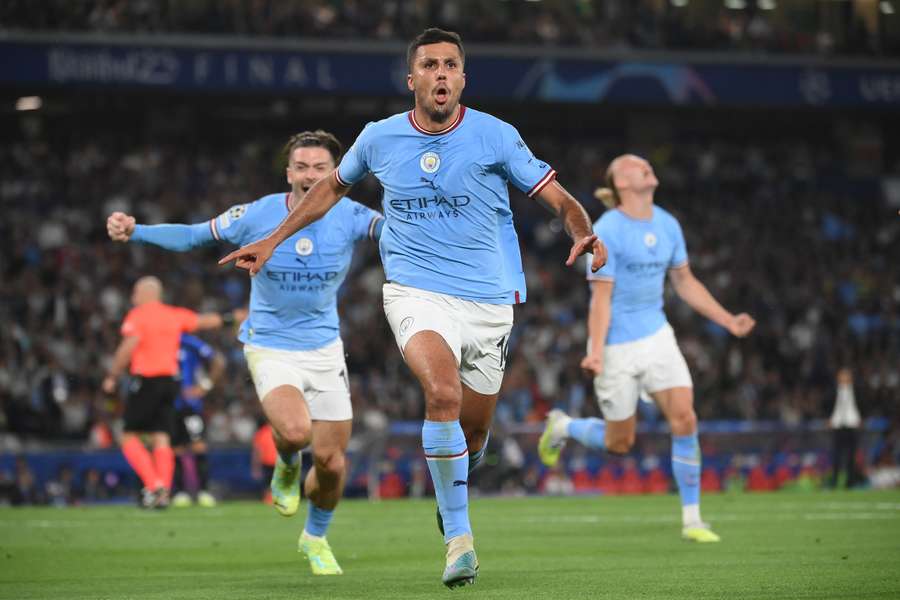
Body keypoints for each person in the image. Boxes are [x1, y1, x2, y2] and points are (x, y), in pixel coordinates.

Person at [218, 28, 607, 587]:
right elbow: (331, 188)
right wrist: (273, 239)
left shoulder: (496, 137)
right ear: (413, 79)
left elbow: (558, 198)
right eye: (430, 64)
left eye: (451, 64)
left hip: (490, 301)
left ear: (463, 78)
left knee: (472, 440)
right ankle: (459, 539)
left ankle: (455, 482)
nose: (441, 73)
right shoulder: (379, 138)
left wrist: (583, 230)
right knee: (441, 393)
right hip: (415, 291)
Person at [106, 130, 384, 575]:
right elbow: (194, 236)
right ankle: (288, 465)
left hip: (326, 348)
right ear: (288, 172)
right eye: (302, 166)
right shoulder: (257, 215)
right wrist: (136, 231)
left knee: (332, 463)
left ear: (336, 173)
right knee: (294, 433)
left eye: (320, 167)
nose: (311, 175)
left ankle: (315, 537)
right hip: (270, 344)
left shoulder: (350, 214)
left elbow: (390, 231)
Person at [538, 154, 756, 543]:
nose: (646, 166)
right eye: (636, 164)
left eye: (647, 164)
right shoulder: (606, 231)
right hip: (617, 346)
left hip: (657, 335)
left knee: (685, 418)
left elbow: (685, 282)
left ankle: (693, 520)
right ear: (620, 182)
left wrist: (728, 320)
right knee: (619, 444)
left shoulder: (668, 224)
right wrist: (596, 350)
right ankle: (564, 426)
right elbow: (600, 299)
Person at [102, 276, 238, 509]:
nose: (133, 297)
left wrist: (112, 376)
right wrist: (231, 318)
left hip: (147, 380)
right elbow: (204, 321)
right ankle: (163, 490)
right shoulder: (173, 314)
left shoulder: (138, 315)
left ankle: (154, 485)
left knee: (128, 436)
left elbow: (128, 346)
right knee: (161, 436)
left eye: (135, 292)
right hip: (171, 383)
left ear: (146, 294)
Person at [170, 333, 226, 508]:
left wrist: (204, 386)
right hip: (167, 404)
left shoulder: (188, 341)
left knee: (198, 445)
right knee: (175, 449)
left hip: (189, 404)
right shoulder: (159, 339)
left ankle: (203, 491)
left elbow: (218, 360)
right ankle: (179, 493)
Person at [829, 367, 864, 489]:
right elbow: (828, 405)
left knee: (851, 455)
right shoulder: (833, 390)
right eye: (841, 375)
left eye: (846, 375)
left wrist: (861, 418)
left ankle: (850, 482)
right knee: (836, 455)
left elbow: (863, 403)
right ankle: (834, 482)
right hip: (838, 425)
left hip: (852, 424)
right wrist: (829, 418)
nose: (843, 378)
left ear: (850, 378)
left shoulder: (858, 390)